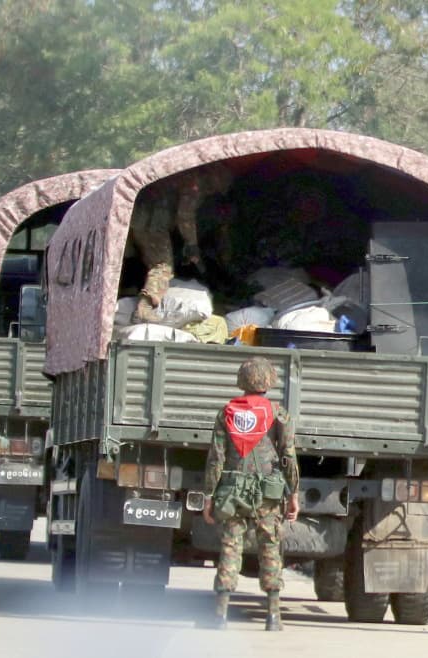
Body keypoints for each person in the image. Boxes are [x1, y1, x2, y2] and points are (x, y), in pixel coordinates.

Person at [201, 357, 300, 630]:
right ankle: (273, 616)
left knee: (231, 547)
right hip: (268, 494)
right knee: (270, 547)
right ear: (268, 382)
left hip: (232, 492)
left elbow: (216, 459)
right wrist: (293, 494)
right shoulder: (279, 414)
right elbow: (288, 456)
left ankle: (220, 615)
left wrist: (208, 496)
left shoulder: (227, 413)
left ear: (242, 380)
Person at [130, 165, 232, 323]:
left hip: (138, 220)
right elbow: (185, 215)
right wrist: (192, 245)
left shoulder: (183, 177)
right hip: (153, 225)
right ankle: (145, 307)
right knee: (163, 267)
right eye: (224, 181)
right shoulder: (195, 183)